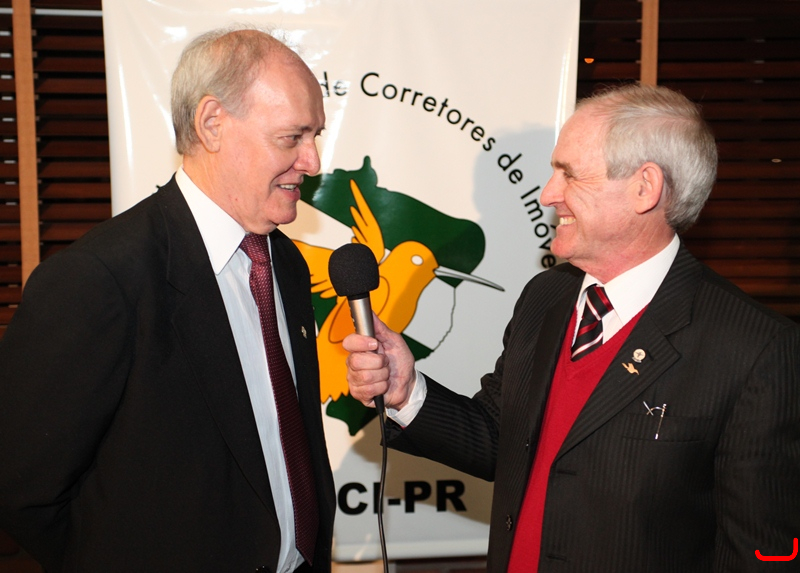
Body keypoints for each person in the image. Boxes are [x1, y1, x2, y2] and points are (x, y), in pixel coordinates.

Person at [344, 83, 800, 572]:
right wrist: (406, 391)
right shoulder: (546, 297)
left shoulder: (755, 349)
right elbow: (502, 440)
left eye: (570, 174)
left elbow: (763, 553)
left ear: (644, 188)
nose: (548, 194)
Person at [0, 26, 335, 573]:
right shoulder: (100, 278)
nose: (313, 161)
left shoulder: (287, 263)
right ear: (212, 124)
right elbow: (22, 487)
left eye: (315, 135)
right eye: (291, 137)